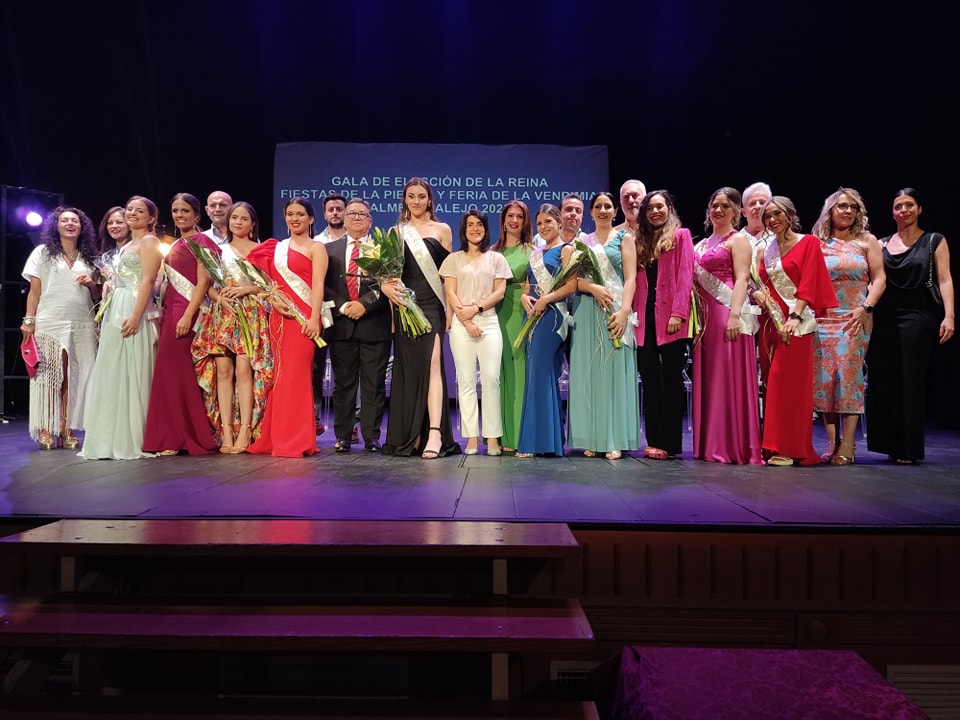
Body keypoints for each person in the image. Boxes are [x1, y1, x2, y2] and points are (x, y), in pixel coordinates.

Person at [866, 188, 954, 464]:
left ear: (919, 209)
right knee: (884, 379)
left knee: (910, 380)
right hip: (883, 317)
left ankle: (908, 448)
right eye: (898, 206)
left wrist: (949, 315)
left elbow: (945, 279)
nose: (903, 210)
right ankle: (888, 444)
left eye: (909, 205)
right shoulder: (881, 243)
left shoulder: (933, 241)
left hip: (918, 316)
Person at [752, 196, 837, 466]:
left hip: (796, 323)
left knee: (787, 386)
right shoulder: (764, 250)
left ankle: (786, 448)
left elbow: (809, 282)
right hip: (770, 324)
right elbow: (760, 282)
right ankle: (776, 447)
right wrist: (757, 295)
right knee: (772, 385)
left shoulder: (807, 243)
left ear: (790, 214)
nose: (772, 220)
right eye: (767, 216)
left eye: (777, 214)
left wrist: (795, 315)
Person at [380, 178, 460, 459]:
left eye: (421, 196)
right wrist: (389, 303)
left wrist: (450, 312)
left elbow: (450, 276)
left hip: (433, 305)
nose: (416, 201)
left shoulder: (442, 229)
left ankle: (435, 433)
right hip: (405, 307)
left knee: (433, 364)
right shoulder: (395, 231)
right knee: (410, 371)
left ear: (430, 200)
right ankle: (412, 433)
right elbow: (390, 277)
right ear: (405, 200)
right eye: (411, 196)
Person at [82, 196, 162, 459]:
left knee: (133, 368)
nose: (133, 214)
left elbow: (149, 280)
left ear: (151, 218)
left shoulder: (150, 241)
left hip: (133, 306)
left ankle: (132, 436)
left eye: (140, 211)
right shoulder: (128, 244)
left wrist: (137, 314)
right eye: (130, 210)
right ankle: (109, 436)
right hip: (117, 305)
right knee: (113, 369)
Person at [246, 197, 328, 457]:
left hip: (304, 318)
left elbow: (318, 286)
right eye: (290, 214)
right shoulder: (276, 249)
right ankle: (276, 436)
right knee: (280, 376)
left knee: (297, 375)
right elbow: (266, 286)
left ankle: (297, 439)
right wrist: (272, 300)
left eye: (300, 214)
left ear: (311, 219)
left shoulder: (317, 248)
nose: (295, 218)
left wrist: (315, 318)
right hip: (280, 317)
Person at [811, 188, 886, 465]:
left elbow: (879, 280)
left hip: (855, 317)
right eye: (841, 206)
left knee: (848, 377)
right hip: (822, 319)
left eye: (853, 207)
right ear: (830, 210)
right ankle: (831, 443)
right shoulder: (818, 242)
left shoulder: (867, 241)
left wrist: (866, 307)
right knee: (826, 380)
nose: (847, 211)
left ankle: (849, 443)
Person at [142, 193, 220, 455]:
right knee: (169, 375)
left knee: (179, 375)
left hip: (187, 312)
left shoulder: (203, 241)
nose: (179, 215)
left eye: (185, 210)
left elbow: (204, 282)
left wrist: (188, 314)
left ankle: (185, 436)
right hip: (169, 310)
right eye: (175, 210)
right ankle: (170, 435)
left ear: (197, 215)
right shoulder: (175, 244)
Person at [192, 201, 273, 453]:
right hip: (223, 315)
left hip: (250, 313)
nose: (238, 222)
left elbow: (270, 287)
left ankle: (246, 429)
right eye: (234, 218)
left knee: (244, 371)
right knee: (223, 372)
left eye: (243, 218)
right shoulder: (216, 250)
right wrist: (221, 300)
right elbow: (206, 285)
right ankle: (226, 429)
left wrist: (248, 289)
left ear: (252, 223)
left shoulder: (262, 250)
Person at [692, 188, 764, 465]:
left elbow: (743, 279)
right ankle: (709, 443)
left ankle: (731, 445)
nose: (718, 210)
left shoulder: (739, 240)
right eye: (713, 205)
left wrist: (735, 316)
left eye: (724, 206)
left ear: (736, 211)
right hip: (704, 318)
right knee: (709, 378)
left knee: (726, 377)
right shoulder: (701, 245)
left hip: (726, 313)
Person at [567, 192, 641, 460]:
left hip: (615, 309)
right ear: (590, 212)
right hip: (587, 309)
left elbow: (631, 278)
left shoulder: (625, 238)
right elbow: (573, 280)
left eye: (607, 206)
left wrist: (624, 311)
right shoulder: (581, 242)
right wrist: (592, 288)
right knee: (589, 373)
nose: (602, 210)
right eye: (597, 206)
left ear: (614, 211)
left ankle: (614, 438)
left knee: (613, 373)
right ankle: (592, 436)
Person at [20, 206, 100, 450]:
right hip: (50, 321)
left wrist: (90, 285)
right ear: (56, 225)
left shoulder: (90, 257)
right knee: (49, 377)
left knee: (75, 376)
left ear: (82, 226)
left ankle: (67, 427)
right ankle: (46, 428)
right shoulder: (42, 252)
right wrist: (28, 320)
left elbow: (97, 295)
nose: (70, 224)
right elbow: (35, 291)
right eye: (64, 220)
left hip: (82, 322)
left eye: (75, 220)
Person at [440, 210, 512, 455]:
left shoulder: (496, 259)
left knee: (491, 379)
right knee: (467, 381)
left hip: (489, 322)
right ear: (464, 229)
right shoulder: (453, 259)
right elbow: (450, 292)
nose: (475, 228)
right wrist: (465, 317)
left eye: (479, 224)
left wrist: (477, 309)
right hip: (461, 324)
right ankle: (471, 437)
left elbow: (499, 292)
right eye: (470, 224)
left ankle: (492, 437)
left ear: (485, 228)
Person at [323, 198, 391, 452]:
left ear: (370, 221)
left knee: (373, 385)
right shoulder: (328, 249)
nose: (356, 218)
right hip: (341, 326)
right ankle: (343, 436)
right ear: (344, 218)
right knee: (344, 385)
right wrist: (343, 306)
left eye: (362, 214)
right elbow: (324, 286)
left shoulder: (383, 250)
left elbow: (389, 285)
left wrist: (364, 304)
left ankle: (371, 437)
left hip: (375, 325)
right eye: (351, 213)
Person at [632, 190, 695, 460]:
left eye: (660, 207)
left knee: (671, 382)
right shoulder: (639, 241)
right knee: (649, 381)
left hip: (671, 320)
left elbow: (685, 276)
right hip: (643, 321)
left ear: (669, 208)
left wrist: (678, 314)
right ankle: (653, 439)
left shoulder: (681, 236)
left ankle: (669, 444)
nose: (655, 212)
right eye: (650, 209)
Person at [516, 204, 578, 457]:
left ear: (559, 223)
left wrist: (546, 299)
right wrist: (524, 298)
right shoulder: (536, 253)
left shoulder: (566, 250)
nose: (543, 227)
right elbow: (527, 287)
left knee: (540, 376)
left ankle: (536, 442)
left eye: (548, 223)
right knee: (539, 377)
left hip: (553, 317)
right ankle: (549, 441)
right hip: (532, 315)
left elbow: (572, 285)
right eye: (539, 223)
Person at [492, 200, 534, 453]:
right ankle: (500, 435)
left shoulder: (531, 250)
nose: (515, 220)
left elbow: (533, 283)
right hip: (494, 313)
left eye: (520, 216)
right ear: (503, 219)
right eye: (510, 215)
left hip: (520, 311)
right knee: (498, 374)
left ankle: (518, 435)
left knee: (518, 373)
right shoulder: (493, 251)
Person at [312, 192, 349, 438]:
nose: (335, 213)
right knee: (314, 366)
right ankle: (312, 416)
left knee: (345, 368)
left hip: (346, 313)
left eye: (339, 209)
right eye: (331, 209)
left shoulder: (358, 240)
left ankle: (349, 423)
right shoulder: (315, 242)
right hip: (318, 312)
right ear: (324, 214)